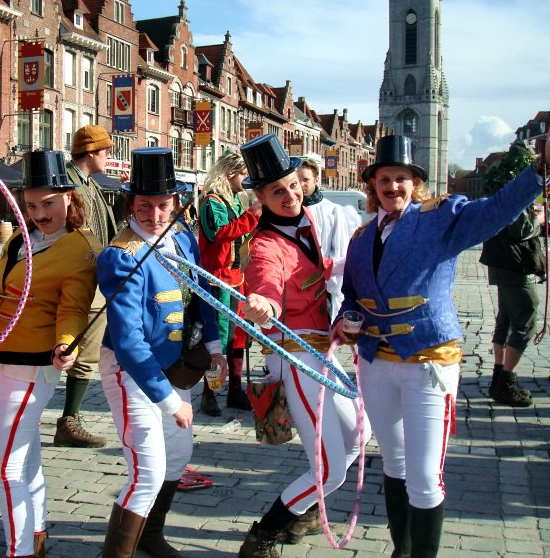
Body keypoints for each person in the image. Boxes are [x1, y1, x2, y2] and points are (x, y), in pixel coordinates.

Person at [329, 134, 550, 558]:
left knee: (425, 475)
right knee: (393, 464)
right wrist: (347, 319)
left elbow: (497, 210)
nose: (392, 187)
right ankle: (401, 550)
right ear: (372, 185)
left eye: (401, 179)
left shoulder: (440, 219)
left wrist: (539, 171)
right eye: (384, 180)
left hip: (428, 363)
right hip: (376, 364)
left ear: (415, 183)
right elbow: (354, 294)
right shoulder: (359, 239)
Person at [235, 134, 369, 556]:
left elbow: (316, 268)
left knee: (356, 441)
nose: (291, 195)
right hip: (296, 359)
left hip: (320, 352)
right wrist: (264, 303)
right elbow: (268, 281)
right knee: (329, 470)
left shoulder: (304, 223)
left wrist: (360, 259)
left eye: (294, 185)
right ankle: (264, 536)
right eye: (278, 191)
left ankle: (304, 510)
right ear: (260, 197)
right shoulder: (263, 244)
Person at [0, 150, 100, 558]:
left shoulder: (80, 247)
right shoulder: (21, 237)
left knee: (3, 466)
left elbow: (73, 306)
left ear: (71, 199)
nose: (40, 214)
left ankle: (20, 550)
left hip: (33, 363)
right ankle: (35, 535)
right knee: (25, 457)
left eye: (48, 205)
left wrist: (66, 342)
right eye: (31, 206)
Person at [97, 147, 226, 558]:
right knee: (146, 472)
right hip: (130, 369)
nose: (154, 215)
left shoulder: (183, 237)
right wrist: (170, 400)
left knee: (179, 454)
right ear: (131, 204)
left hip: (172, 363)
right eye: (145, 206)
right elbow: (129, 340)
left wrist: (214, 345)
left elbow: (202, 292)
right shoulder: (121, 256)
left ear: (176, 204)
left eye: (163, 205)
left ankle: (150, 535)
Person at [54, 125, 122, 448]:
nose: (110, 156)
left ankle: (70, 418)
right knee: (79, 349)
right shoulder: (69, 185)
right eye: (106, 150)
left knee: (84, 349)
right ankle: (68, 420)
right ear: (92, 152)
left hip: (91, 275)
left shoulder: (89, 185)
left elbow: (106, 228)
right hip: (78, 276)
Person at [197, 152, 260, 416]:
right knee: (219, 339)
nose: (245, 180)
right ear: (230, 173)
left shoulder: (234, 200)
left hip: (237, 279)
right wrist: (253, 215)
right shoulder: (213, 201)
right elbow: (220, 233)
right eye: (243, 174)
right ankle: (209, 393)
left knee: (239, 338)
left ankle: (235, 389)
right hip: (217, 280)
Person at [479, 198, 545, 406]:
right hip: (515, 266)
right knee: (526, 323)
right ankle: (507, 381)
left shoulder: (500, 193)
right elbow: (522, 230)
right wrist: (541, 218)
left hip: (502, 264)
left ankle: (499, 377)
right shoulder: (518, 193)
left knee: (505, 321)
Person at [298, 158, 360, 319]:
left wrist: (336, 291)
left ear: (316, 180)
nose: (301, 185)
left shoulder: (332, 211)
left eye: (305, 180)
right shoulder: (289, 211)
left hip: (323, 286)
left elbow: (339, 251)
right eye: (297, 180)